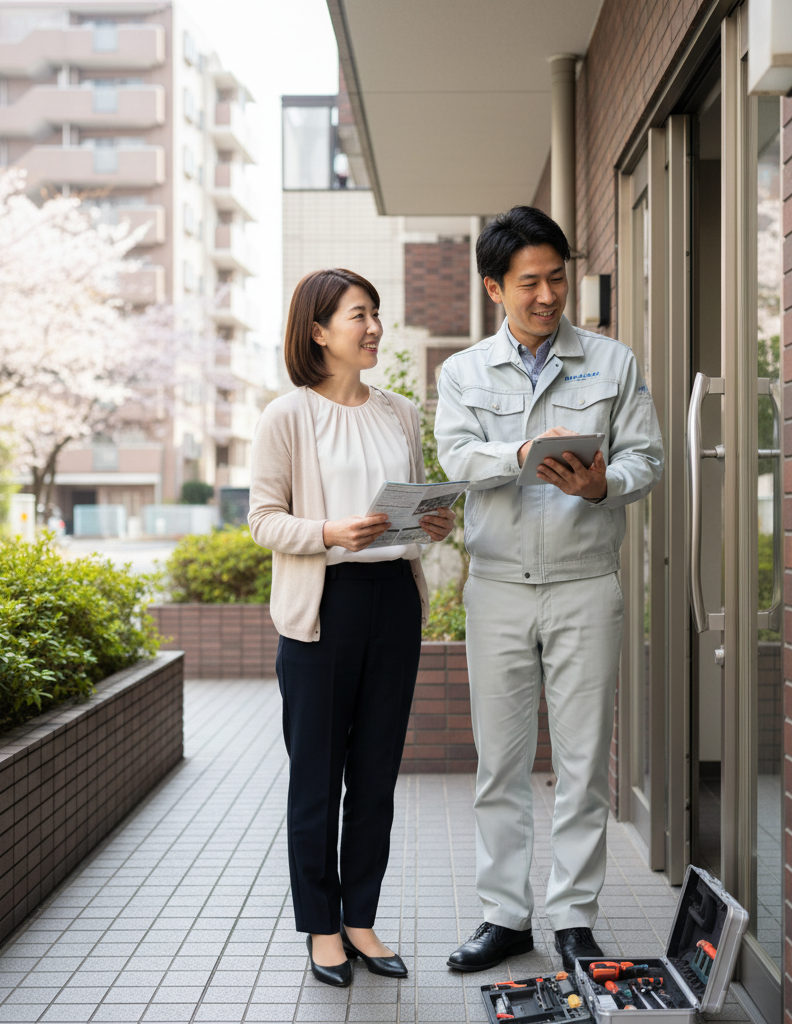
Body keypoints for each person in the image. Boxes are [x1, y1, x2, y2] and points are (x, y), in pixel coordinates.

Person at [434, 207, 663, 973]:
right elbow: (457, 459)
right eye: (529, 282)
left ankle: (573, 918)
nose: (546, 295)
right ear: (495, 287)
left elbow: (648, 459)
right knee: (499, 764)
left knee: (582, 762)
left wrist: (605, 485)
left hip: (585, 585)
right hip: (497, 588)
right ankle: (504, 918)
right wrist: (518, 453)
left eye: (556, 278)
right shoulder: (462, 372)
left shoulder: (612, 363)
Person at [249, 268, 456, 987]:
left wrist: (435, 519)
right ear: (318, 331)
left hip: (393, 601)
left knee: (375, 776)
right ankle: (321, 928)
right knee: (317, 779)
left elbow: (419, 508)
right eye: (358, 315)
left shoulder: (400, 411)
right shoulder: (288, 415)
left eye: (376, 315)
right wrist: (329, 531)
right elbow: (262, 519)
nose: (373, 328)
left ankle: (361, 919)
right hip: (322, 610)